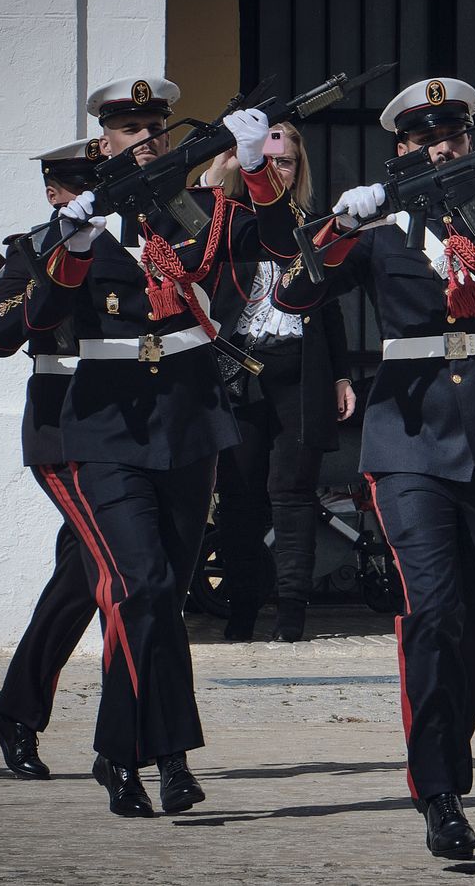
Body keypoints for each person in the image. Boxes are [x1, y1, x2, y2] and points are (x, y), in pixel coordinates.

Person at [272, 78, 475, 859]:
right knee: (433, 609)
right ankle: (439, 790)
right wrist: (334, 229)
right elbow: (291, 296)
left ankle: (448, 764)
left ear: (470, 135)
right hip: (410, 436)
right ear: (400, 147)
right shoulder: (381, 223)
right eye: (422, 137)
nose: (440, 146)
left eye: (451, 131)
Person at [21, 75, 295, 817]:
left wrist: (256, 167)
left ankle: (154, 758)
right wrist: (70, 240)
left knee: (163, 602)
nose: (144, 137)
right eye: (126, 126)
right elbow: (35, 317)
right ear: (101, 140)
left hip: (188, 420)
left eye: (154, 125)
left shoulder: (199, 210)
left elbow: (278, 245)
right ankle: (138, 755)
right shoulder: (78, 221)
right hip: (106, 428)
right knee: (138, 587)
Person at [199, 124, 356, 643]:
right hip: (238, 368)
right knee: (238, 495)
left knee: (292, 495)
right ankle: (242, 608)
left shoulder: (317, 224)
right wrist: (214, 178)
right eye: (267, 161)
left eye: (285, 162)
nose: (275, 170)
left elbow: (329, 307)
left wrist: (340, 375)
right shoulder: (229, 224)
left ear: (298, 169)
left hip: (300, 369)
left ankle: (292, 613)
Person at [0, 138, 100, 780]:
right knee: (111, 570)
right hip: (62, 420)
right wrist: (38, 277)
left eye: (95, 180)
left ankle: (15, 712)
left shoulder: (132, 245)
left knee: (84, 575)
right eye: (77, 182)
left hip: (130, 422)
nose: (89, 192)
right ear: (55, 191)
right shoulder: (34, 246)